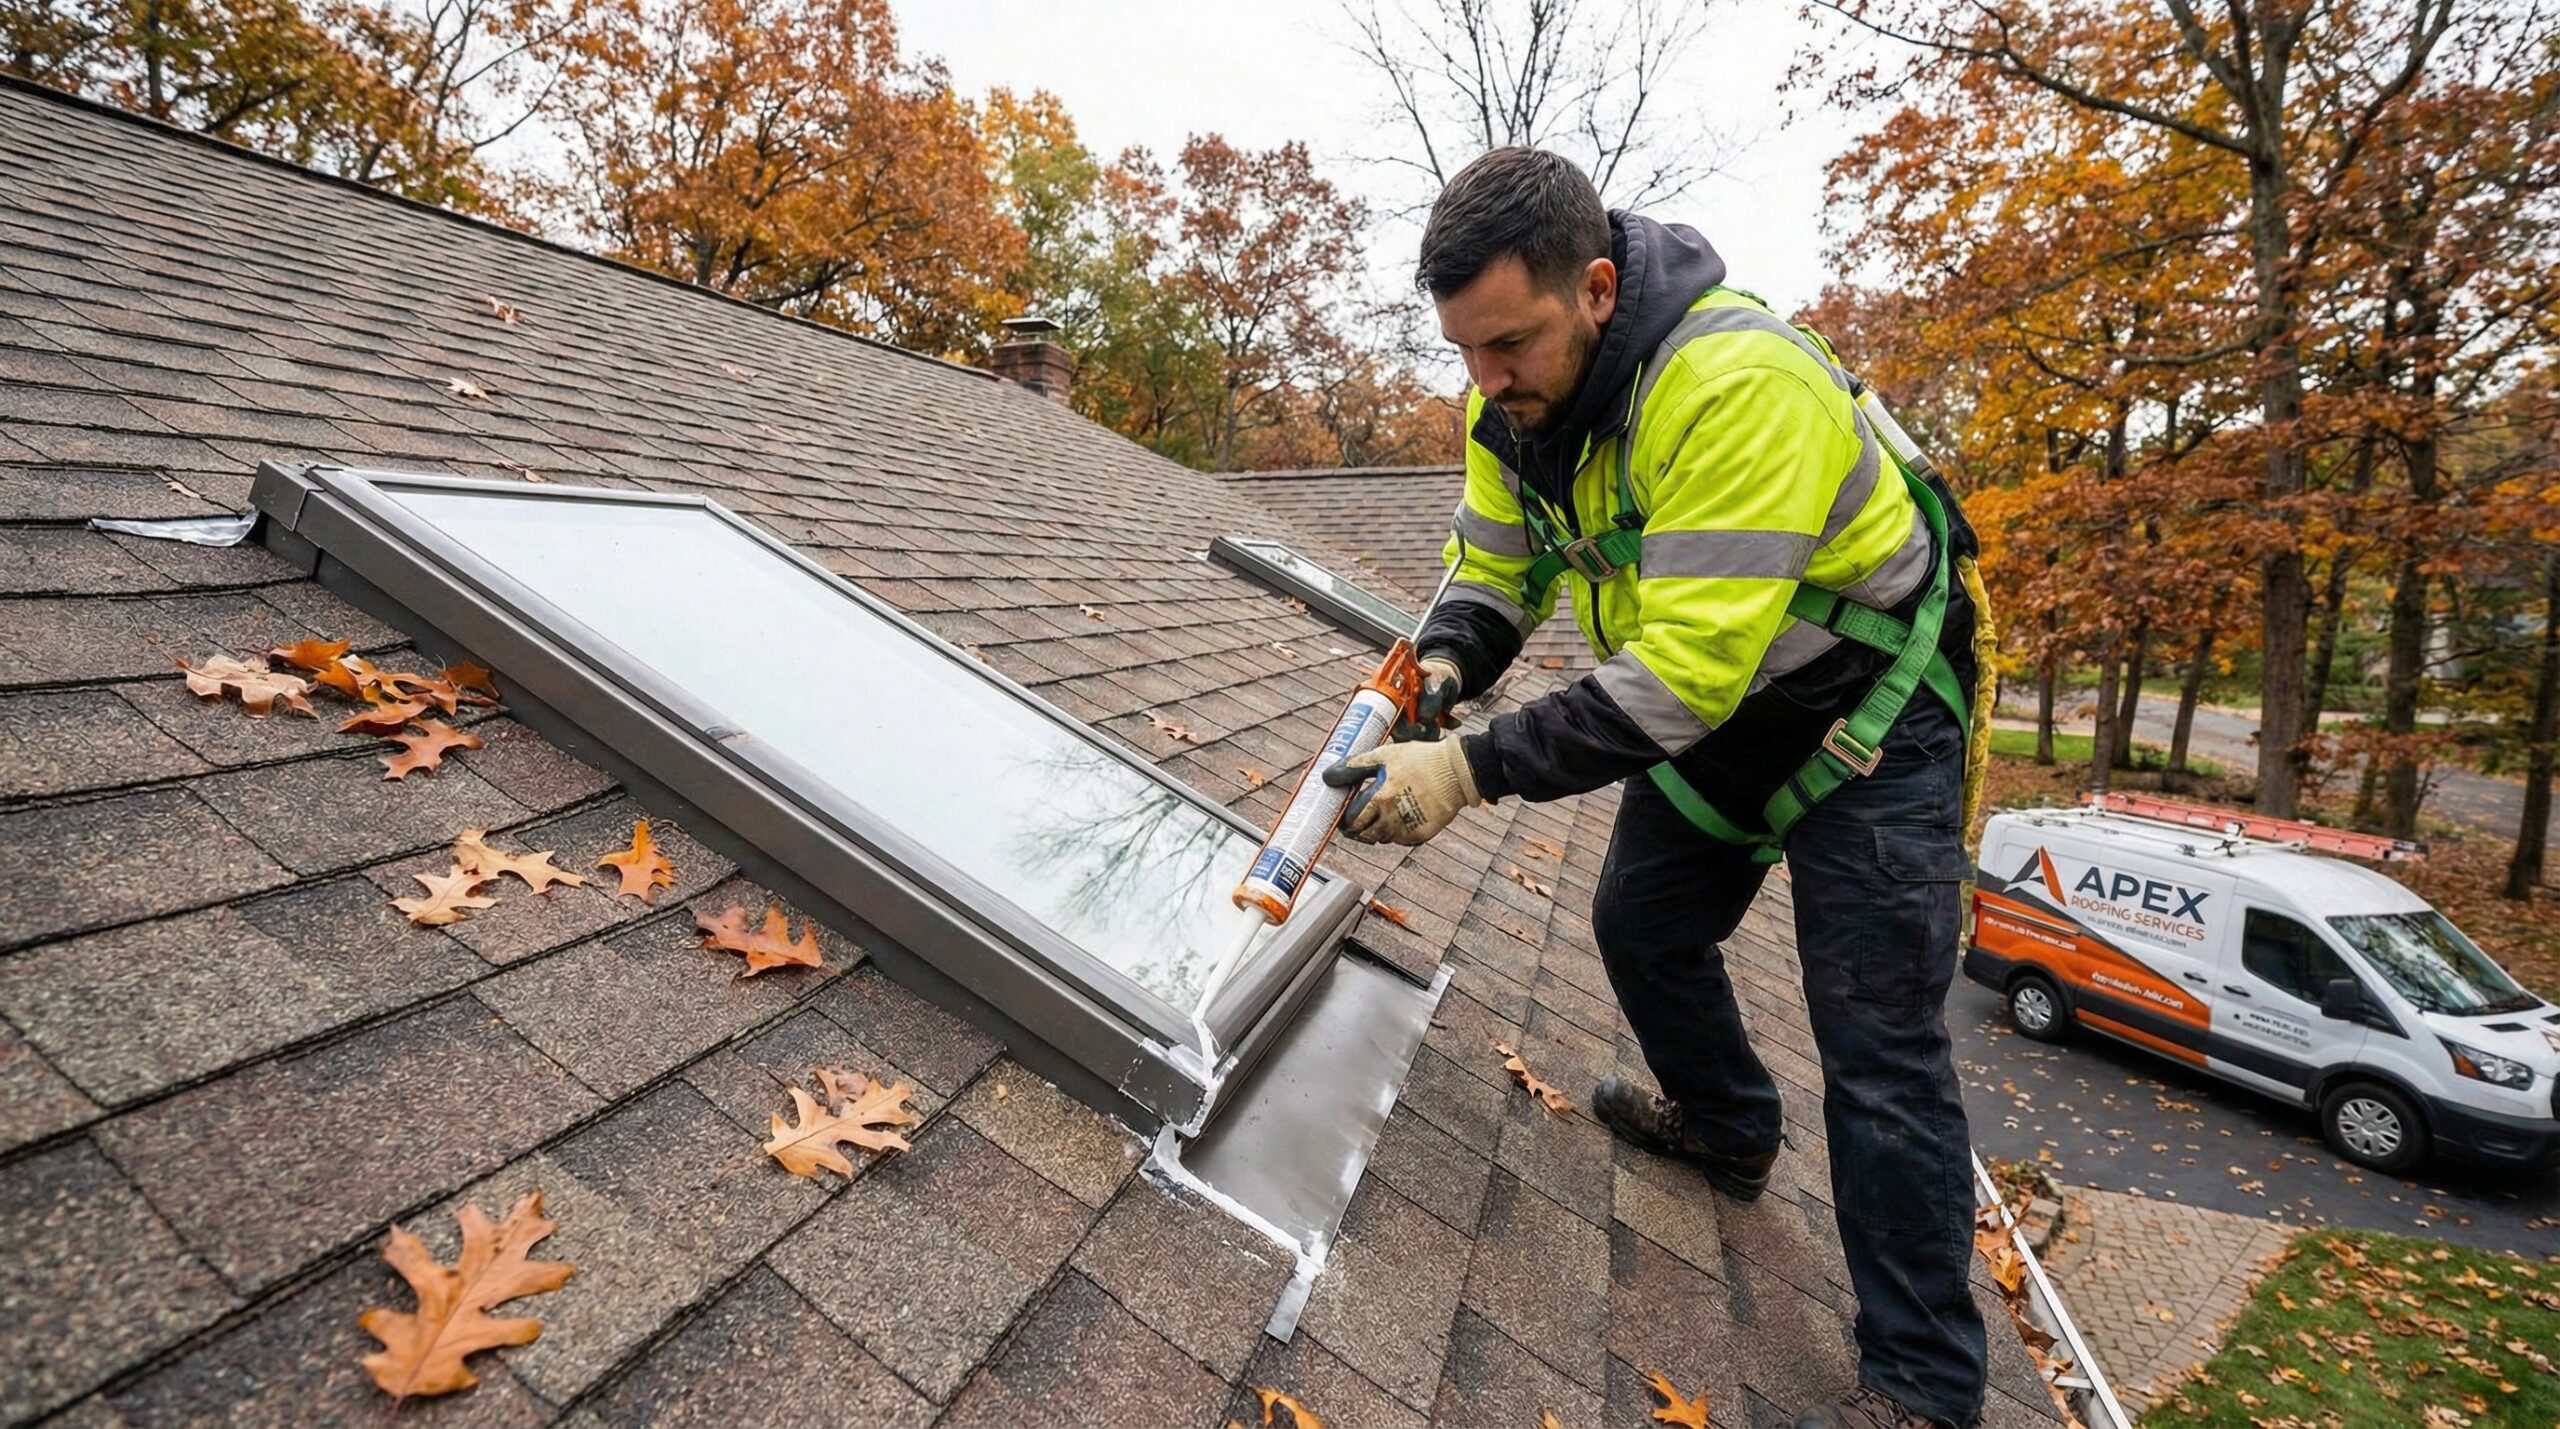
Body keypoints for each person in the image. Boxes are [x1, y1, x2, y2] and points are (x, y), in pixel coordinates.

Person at [1323, 147, 1989, 1429]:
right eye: (1464, 349)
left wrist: (1462, 771)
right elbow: (1495, 575)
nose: (1487, 381)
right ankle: (1729, 1126)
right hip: (1729, 708)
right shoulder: (1505, 413)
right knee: (1639, 922)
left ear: (1598, 286)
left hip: (1869, 722)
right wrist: (1443, 676)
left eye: (1509, 344)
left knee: (1878, 1048)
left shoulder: (1736, 389)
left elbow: (1676, 681)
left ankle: (1922, 1386)